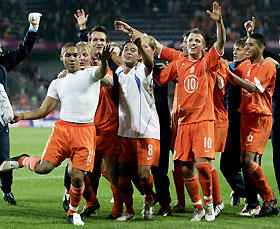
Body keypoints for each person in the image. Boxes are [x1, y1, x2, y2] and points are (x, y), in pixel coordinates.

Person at [0, 42, 113, 226]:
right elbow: (44, 110)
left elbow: (102, 74)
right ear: (62, 59)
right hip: (62, 131)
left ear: (79, 57)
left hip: (85, 132)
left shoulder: (90, 74)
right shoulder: (57, 83)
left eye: (75, 55)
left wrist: (105, 61)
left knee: (77, 177)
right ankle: (22, 160)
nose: (72, 58)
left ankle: (73, 212)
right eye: (68, 55)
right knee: (43, 168)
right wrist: (21, 115)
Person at [154, 2, 225, 222]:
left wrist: (219, 22)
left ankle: (210, 202)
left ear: (204, 47)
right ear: (184, 44)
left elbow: (221, 42)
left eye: (197, 41)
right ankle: (198, 207)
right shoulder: (177, 64)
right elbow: (158, 79)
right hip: (183, 124)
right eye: (190, 40)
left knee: (203, 164)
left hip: (203, 120)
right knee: (185, 168)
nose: (193, 43)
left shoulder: (207, 63)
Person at [228, 32, 279, 217]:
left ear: (261, 48)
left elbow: (252, 88)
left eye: (250, 45)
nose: (246, 48)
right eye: (246, 45)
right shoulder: (246, 65)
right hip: (245, 116)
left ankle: (269, 198)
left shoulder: (268, 66)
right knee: (244, 161)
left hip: (260, 117)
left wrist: (231, 74)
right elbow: (232, 72)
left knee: (249, 160)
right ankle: (265, 200)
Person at [113, 29, 160, 221]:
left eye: (133, 50)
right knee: (122, 175)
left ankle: (149, 197)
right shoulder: (117, 71)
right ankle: (129, 211)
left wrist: (139, 43)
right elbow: (117, 62)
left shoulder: (143, 70)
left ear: (139, 54)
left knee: (142, 175)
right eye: (126, 49)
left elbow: (150, 63)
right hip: (125, 132)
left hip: (147, 131)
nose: (129, 52)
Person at [0, 12, 41, 206]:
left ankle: (6, 191)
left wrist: (32, 30)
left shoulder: (3, 63)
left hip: (0, 123)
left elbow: (23, 50)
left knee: (4, 163)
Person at [220, 36, 261, 216]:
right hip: (231, 122)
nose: (235, 51)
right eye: (234, 49)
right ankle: (247, 193)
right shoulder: (233, 67)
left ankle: (253, 201)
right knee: (227, 165)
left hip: (247, 121)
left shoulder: (248, 70)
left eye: (239, 49)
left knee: (246, 164)